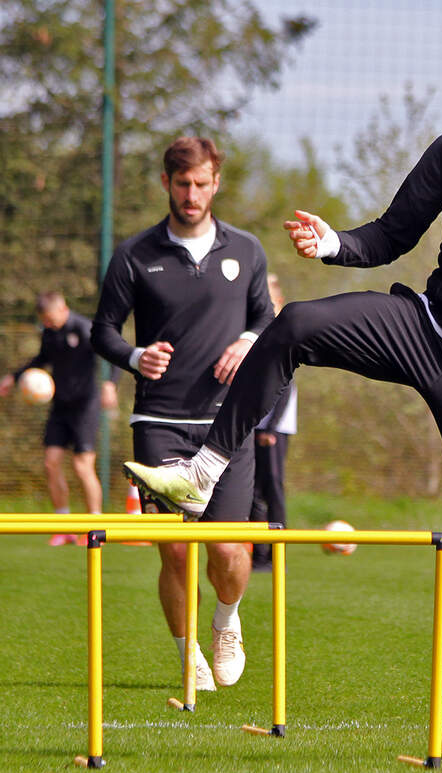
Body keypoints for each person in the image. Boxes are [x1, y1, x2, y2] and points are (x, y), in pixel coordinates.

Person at [122, 13, 442, 768]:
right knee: (297, 323)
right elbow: (393, 233)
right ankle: (202, 472)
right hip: (430, 332)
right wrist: (336, 244)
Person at [92, 136, 275, 691]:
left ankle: (225, 622)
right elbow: (101, 330)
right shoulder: (134, 254)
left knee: (227, 548)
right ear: (167, 185)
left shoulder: (246, 251)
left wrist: (247, 340)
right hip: (159, 422)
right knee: (174, 550)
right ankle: (186, 648)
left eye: (201, 183)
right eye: (182, 184)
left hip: (228, 424)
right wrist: (133, 356)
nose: (191, 194)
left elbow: (269, 319)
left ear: (215, 182)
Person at [0, 291, 117, 545]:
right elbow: (42, 359)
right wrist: (15, 376)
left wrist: (110, 385)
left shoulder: (84, 329)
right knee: (51, 462)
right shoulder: (50, 333)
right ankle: (64, 527)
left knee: (82, 465)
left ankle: (94, 528)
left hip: (85, 405)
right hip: (60, 406)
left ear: (62, 309)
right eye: (45, 320)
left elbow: (110, 354)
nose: (48, 324)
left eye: (50, 319)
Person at [249, 274, 297, 572]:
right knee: (252, 490)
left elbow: (286, 382)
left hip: (273, 428)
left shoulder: (282, 328)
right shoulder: (253, 328)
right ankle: (259, 554)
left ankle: (276, 554)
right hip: (252, 424)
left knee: (272, 489)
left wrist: (270, 426)